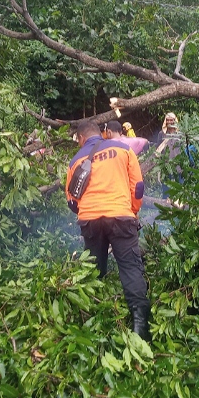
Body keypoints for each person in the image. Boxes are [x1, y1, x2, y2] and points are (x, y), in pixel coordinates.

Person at [66, 121, 150, 340]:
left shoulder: (76, 161)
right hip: (120, 215)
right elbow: (138, 187)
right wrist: (132, 210)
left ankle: (94, 317)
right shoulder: (123, 149)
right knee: (130, 268)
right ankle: (140, 326)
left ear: (81, 138)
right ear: (100, 134)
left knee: (95, 268)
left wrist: (88, 213)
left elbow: (72, 202)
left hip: (90, 219)